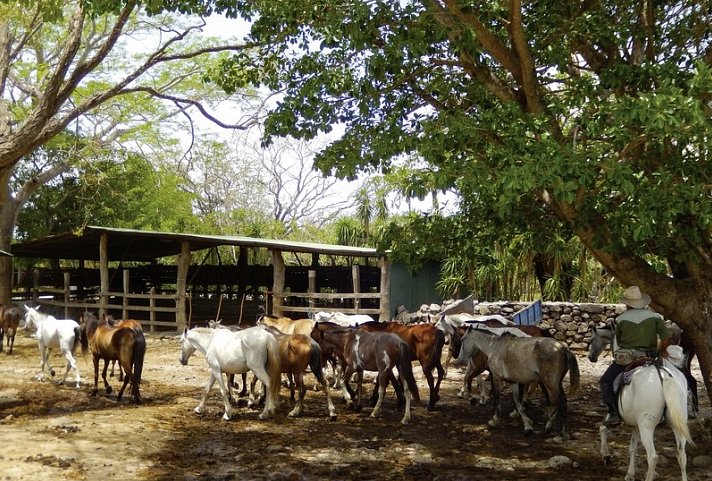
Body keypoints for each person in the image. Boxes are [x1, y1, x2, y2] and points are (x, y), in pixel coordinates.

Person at [599, 286, 671, 426]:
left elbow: (618, 341)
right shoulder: (655, 317)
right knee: (671, 377)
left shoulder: (621, 319)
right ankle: (667, 411)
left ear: (627, 304)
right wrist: (663, 350)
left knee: (605, 381)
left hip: (627, 359)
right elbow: (666, 336)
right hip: (650, 357)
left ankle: (613, 413)